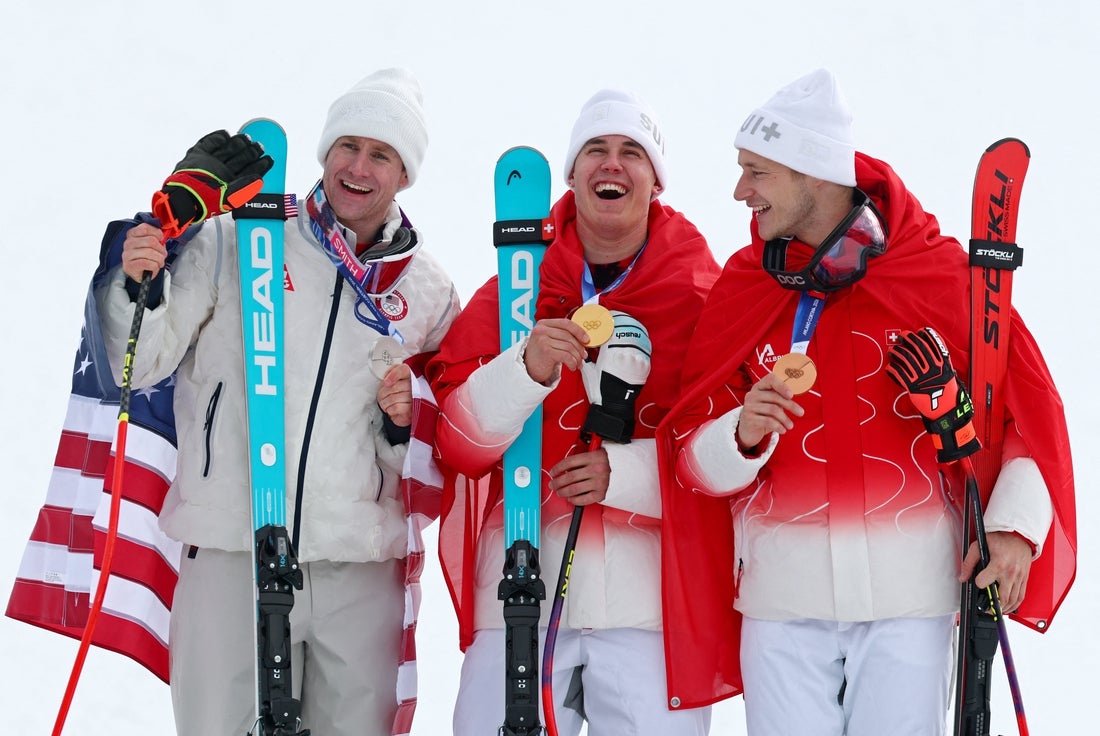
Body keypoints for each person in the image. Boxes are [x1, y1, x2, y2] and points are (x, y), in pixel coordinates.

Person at [658, 68, 1076, 734]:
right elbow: (686, 463)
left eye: (756, 172)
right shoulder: (746, 286)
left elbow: (1026, 419)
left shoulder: (937, 276)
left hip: (910, 602)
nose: (739, 191)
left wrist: (1014, 529)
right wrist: (740, 433)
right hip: (779, 603)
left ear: (813, 174)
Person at [93, 68, 460, 735]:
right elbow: (139, 363)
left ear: (406, 175)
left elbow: (434, 446)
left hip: (356, 560)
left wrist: (405, 421)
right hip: (230, 539)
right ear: (323, 153)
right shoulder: (240, 237)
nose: (358, 166)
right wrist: (137, 280)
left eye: (382, 154)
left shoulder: (428, 290)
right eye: (347, 145)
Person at [425, 89, 721, 735]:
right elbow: (458, 445)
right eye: (596, 149)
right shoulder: (514, 288)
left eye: (630, 152)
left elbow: (730, 456)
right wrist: (525, 370)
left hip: (650, 610)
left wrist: (628, 474)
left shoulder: (703, 297)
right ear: (572, 173)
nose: (611, 164)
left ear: (655, 180)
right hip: (518, 596)